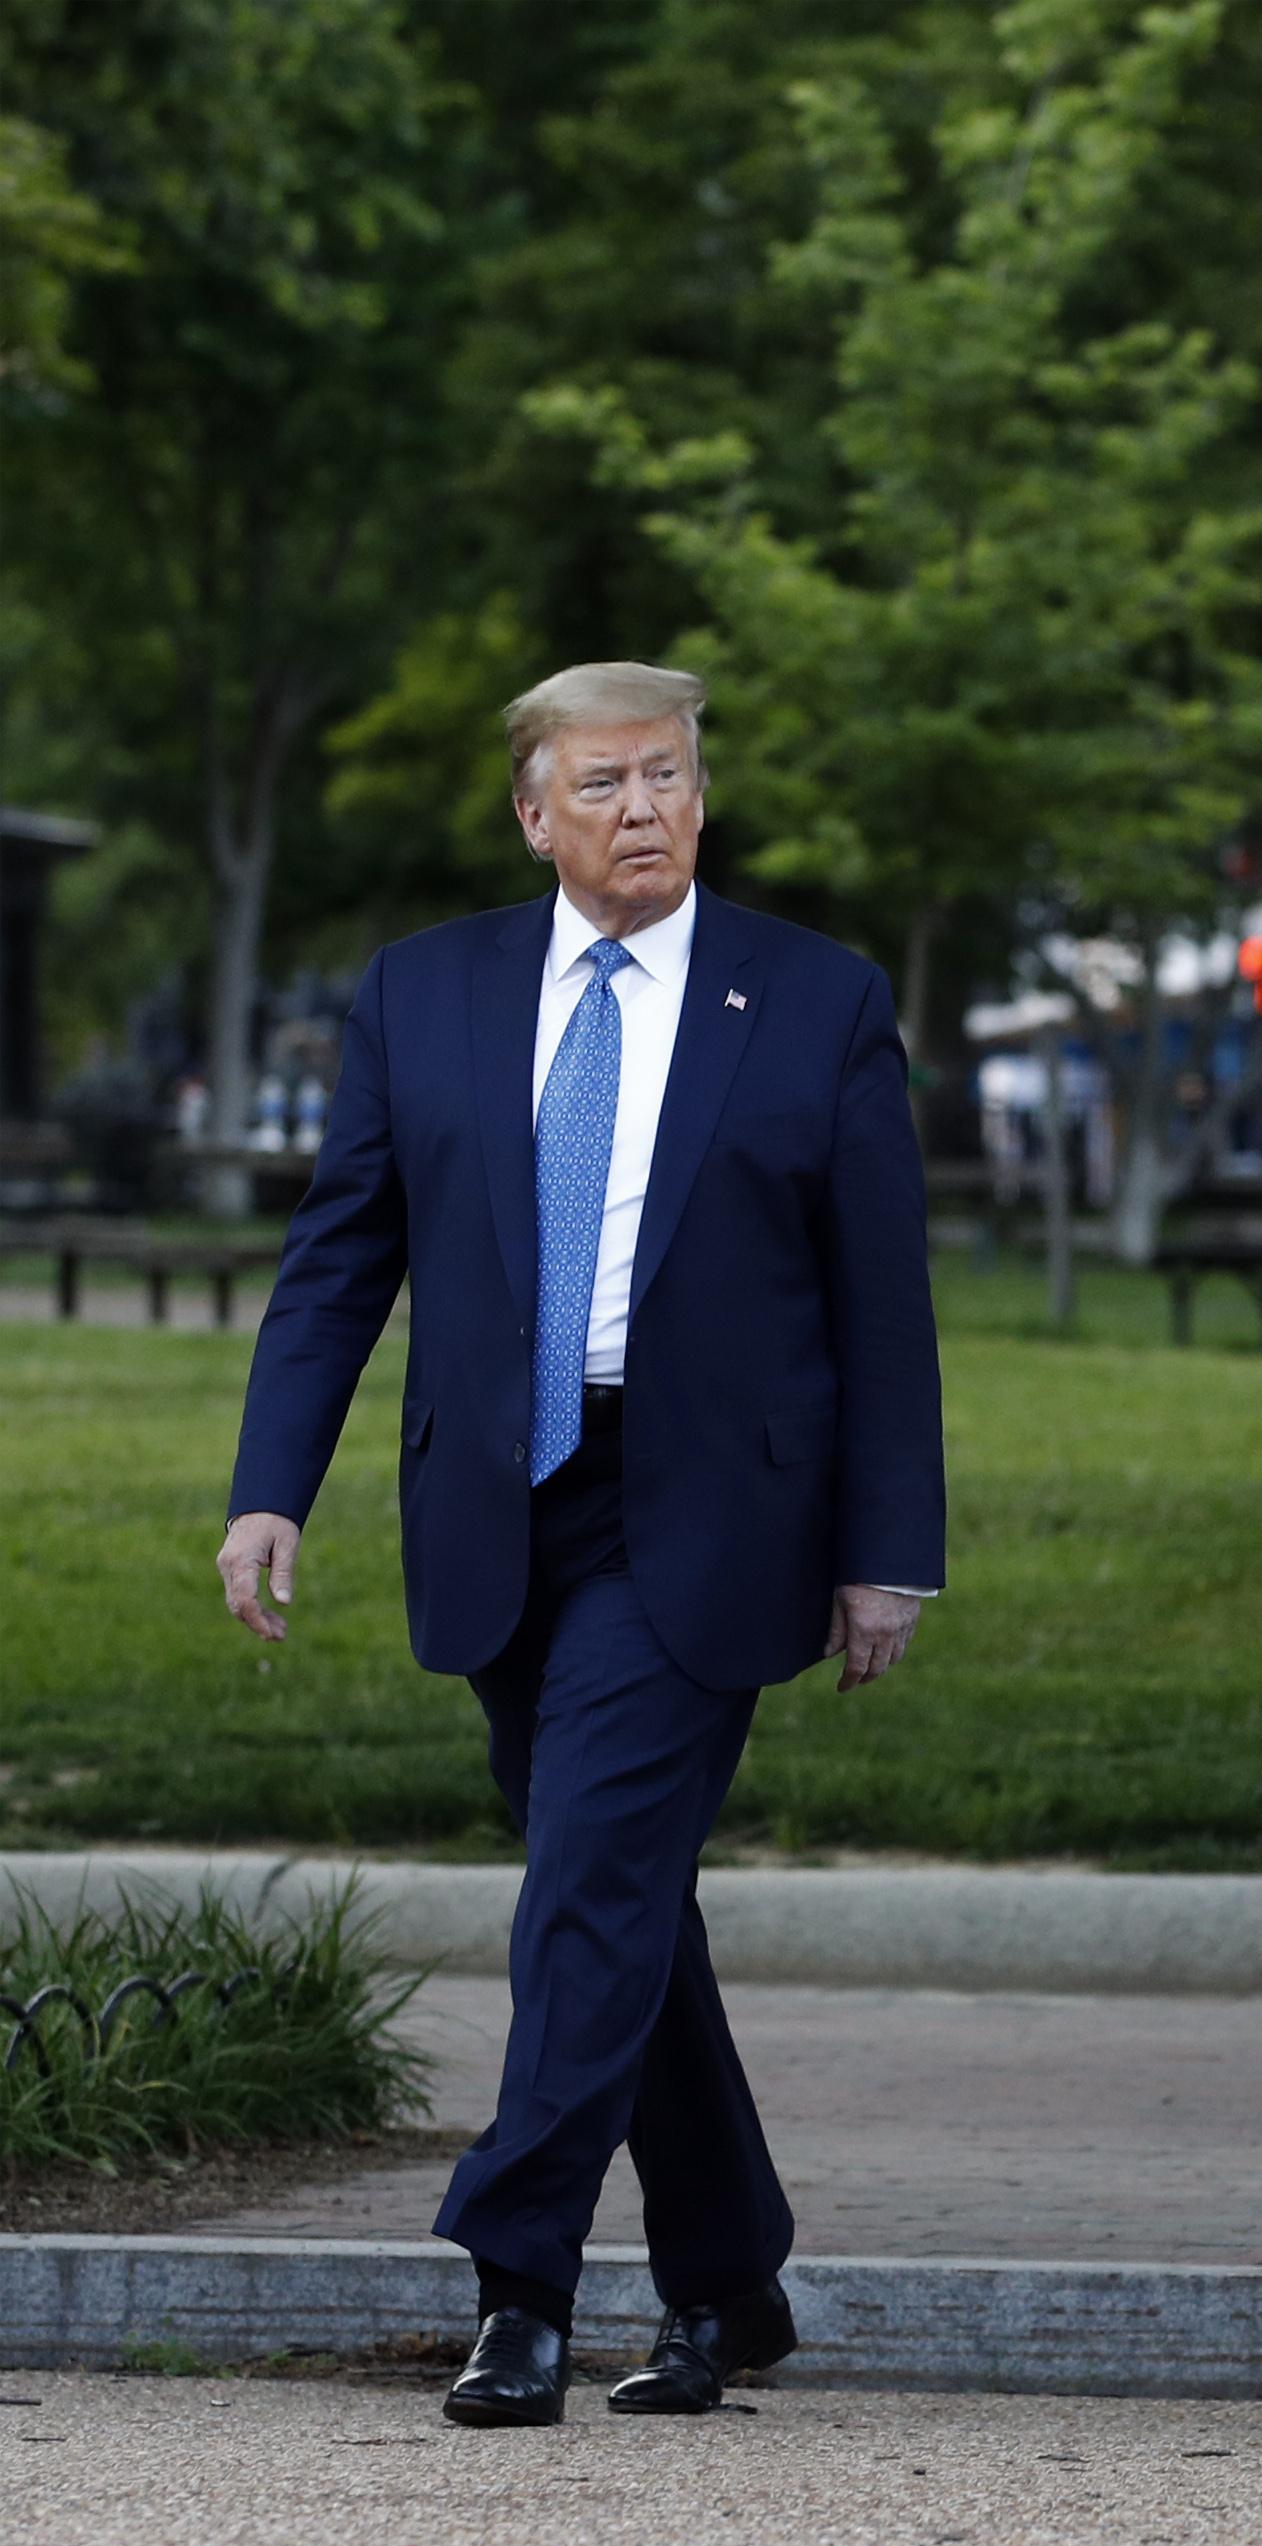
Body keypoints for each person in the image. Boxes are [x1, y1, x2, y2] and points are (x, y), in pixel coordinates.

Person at [214, 660, 945, 2429]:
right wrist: (270, 1485)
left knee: (589, 1884)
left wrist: (887, 1548)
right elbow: (341, 1259)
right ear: (535, 812)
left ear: (704, 797)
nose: (644, 810)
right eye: (606, 783)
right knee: (622, 1907)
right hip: (499, 1500)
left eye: (671, 779)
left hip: (709, 1512)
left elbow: (881, 1303)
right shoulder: (425, 994)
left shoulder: (817, 1001)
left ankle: (516, 2276)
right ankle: (729, 2277)